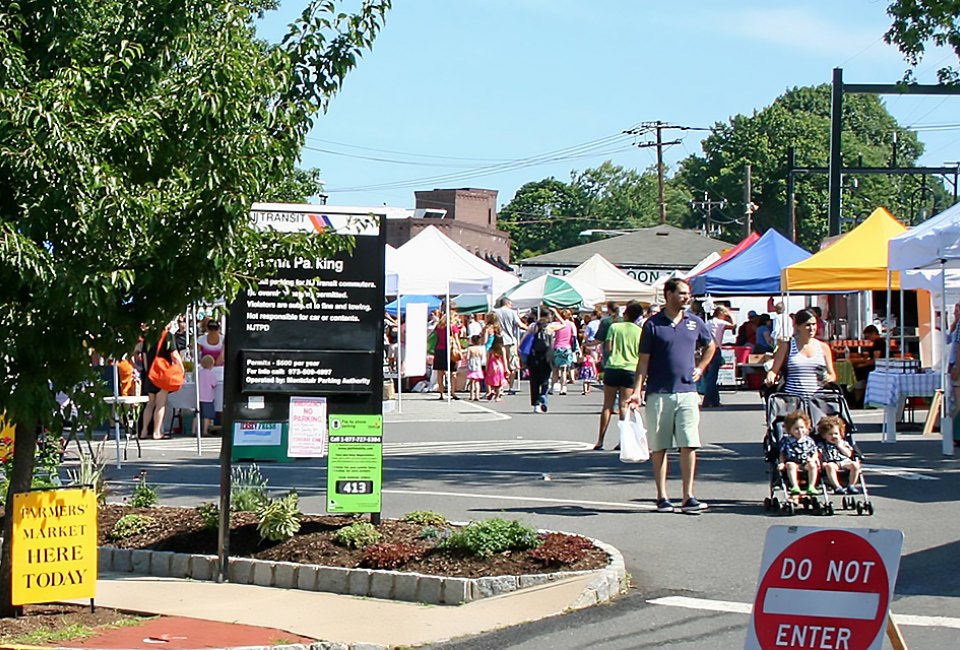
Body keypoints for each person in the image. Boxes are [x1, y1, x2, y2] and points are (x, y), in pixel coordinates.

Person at [626, 279, 715, 515]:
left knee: (689, 444)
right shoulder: (652, 325)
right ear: (668, 294)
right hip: (659, 393)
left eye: (688, 294)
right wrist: (637, 391)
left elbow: (711, 346)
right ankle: (662, 496)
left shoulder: (695, 323)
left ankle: (688, 496)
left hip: (687, 392)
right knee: (660, 447)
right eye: (682, 293)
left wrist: (701, 368)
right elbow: (643, 361)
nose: (686, 297)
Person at [594, 301, 644, 450]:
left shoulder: (614, 327)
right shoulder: (639, 331)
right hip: (631, 368)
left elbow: (608, 347)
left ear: (625, 314)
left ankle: (600, 440)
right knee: (624, 406)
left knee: (607, 406)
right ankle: (623, 440)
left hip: (613, 366)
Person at [765, 309, 836, 398]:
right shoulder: (787, 346)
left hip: (817, 402)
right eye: (807, 325)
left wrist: (829, 378)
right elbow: (774, 370)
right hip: (793, 401)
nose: (812, 328)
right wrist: (770, 376)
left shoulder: (823, 347)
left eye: (814, 324)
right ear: (797, 326)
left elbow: (832, 374)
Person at [139, 321, 184, 440]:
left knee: (149, 404)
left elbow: (144, 356)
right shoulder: (167, 336)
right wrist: (181, 368)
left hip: (150, 374)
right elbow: (174, 354)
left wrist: (148, 371)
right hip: (162, 374)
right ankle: (156, 432)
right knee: (160, 404)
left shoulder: (148, 337)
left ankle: (143, 431)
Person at [779, 410, 820, 499]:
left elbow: (815, 452)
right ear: (790, 430)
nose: (800, 431)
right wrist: (782, 463)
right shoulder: (787, 440)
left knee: (813, 465)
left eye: (802, 427)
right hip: (793, 461)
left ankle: (811, 486)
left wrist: (813, 459)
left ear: (806, 428)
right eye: (796, 428)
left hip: (805, 462)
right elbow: (782, 453)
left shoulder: (809, 440)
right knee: (790, 465)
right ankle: (795, 486)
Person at [816, 415, 862, 495]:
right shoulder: (822, 445)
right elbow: (818, 455)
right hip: (831, 462)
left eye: (836, 434)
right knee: (830, 466)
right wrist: (821, 463)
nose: (834, 436)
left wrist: (840, 446)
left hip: (844, 461)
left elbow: (849, 454)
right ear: (824, 436)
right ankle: (837, 486)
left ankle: (851, 485)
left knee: (855, 465)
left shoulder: (843, 443)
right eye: (830, 434)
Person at [702, 306, 735, 408]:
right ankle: (707, 401)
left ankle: (715, 400)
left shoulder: (708, 323)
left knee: (709, 376)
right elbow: (733, 325)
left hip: (705, 349)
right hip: (715, 349)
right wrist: (730, 315)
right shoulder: (720, 322)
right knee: (713, 377)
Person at [850, 324, 886, 405]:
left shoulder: (878, 343)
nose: (868, 339)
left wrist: (862, 365)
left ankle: (858, 398)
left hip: (877, 368)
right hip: (880, 367)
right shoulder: (881, 342)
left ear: (873, 333)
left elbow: (876, 360)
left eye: (868, 336)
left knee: (858, 372)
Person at [522, 316, 553, 413]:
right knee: (545, 379)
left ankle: (536, 404)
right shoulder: (550, 330)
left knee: (534, 382)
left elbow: (523, 343)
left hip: (533, 358)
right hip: (546, 359)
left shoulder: (532, 330)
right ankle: (543, 396)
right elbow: (563, 325)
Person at [494, 297, 524, 394]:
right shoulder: (512, 312)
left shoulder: (495, 312)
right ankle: (510, 387)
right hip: (510, 341)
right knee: (512, 365)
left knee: (500, 364)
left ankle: (500, 387)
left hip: (498, 341)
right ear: (507, 303)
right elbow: (519, 324)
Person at [548, 308, 577, 395]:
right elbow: (574, 336)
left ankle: (552, 388)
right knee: (564, 370)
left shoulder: (555, 324)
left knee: (555, 370)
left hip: (557, 347)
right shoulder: (571, 324)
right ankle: (563, 388)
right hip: (567, 348)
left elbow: (551, 335)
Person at [197, 354, 219, 436]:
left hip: (198, 397)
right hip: (208, 398)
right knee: (207, 415)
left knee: (197, 414)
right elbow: (214, 384)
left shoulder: (199, 373)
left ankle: (193, 430)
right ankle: (205, 431)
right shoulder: (211, 374)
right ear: (211, 365)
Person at [484, 336, 507, 402]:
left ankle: (491, 391)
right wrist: (506, 368)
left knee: (492, 380)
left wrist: (486, 368)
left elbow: (488, 359)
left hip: (492, 366)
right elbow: (504, 359)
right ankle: (497, 397)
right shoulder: (502, 349)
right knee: (499, 383)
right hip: (499, 366)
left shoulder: (491, 349)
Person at [465, 335, 486, 401]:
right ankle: (477, 395)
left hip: (471, 364)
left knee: (472, 381)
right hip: (478, 364)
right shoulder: (480, 348)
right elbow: (482, 357)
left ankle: (472, 395)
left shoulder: (470, 348)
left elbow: (467, 357)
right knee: (477, 381)